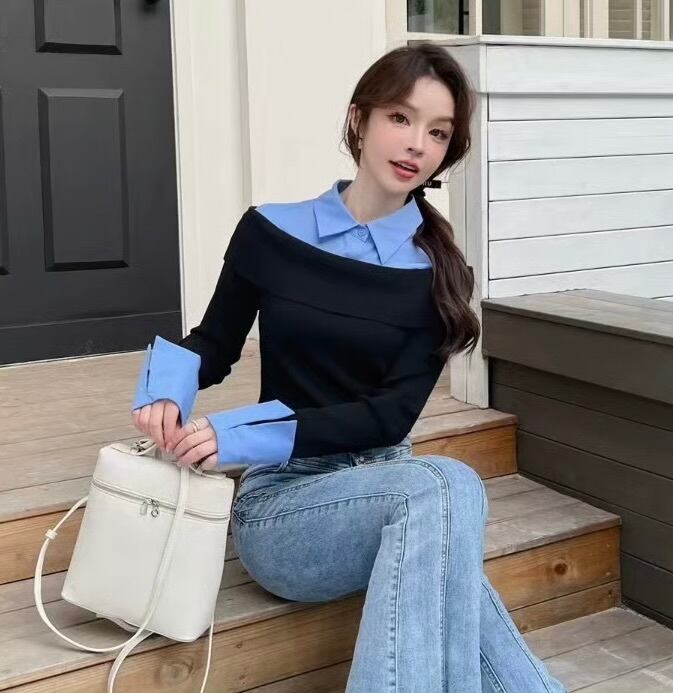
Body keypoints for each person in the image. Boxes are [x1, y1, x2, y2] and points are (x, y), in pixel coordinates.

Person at [130, 42, 567, 693]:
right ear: (360, 119)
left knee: (440, 496)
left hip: (394, 488)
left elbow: (388, 418)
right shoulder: (269, 232)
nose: (416, 143)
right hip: (286, 503)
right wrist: (166, 392)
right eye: (401, 117)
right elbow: (212, 343)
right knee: (445, 491)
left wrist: (241, 430)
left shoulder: (440, 274)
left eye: (438, 132)